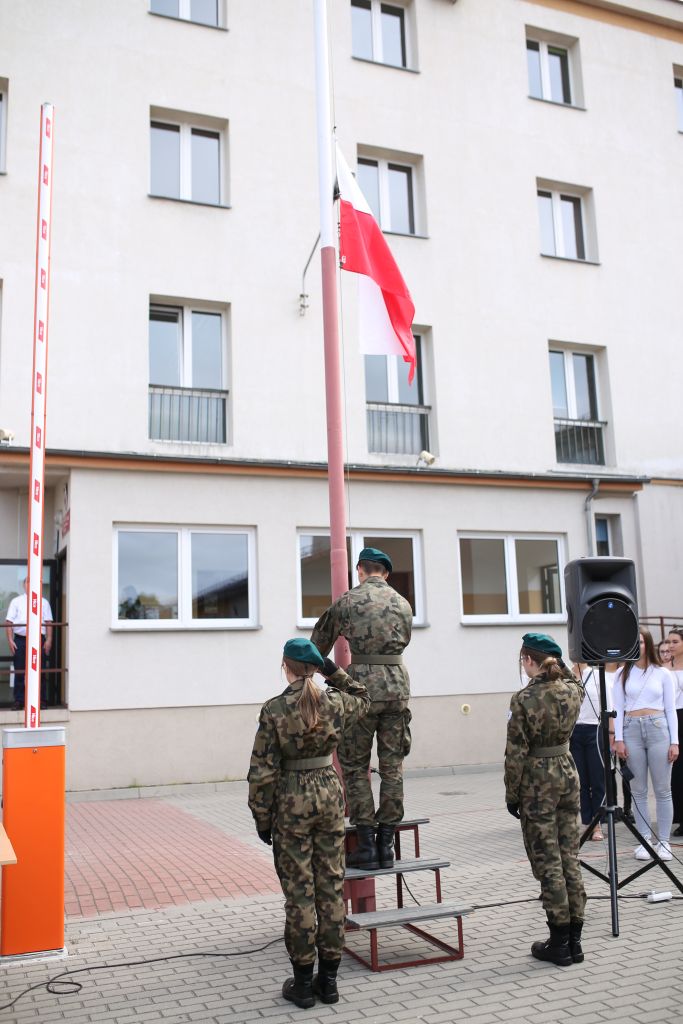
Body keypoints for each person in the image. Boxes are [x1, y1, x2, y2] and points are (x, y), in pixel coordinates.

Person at [248, 638, 370, 1009]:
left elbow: (262, 770)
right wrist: (333, 671)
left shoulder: (274, 709)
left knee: (299, 893)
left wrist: (262, 817)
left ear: (285, 666)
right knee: (331, 887)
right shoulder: (335, 702)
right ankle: (328, 982)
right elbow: (364, 698)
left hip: (291, 799)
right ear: (315, 668)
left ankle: (303, 985)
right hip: (329, 795)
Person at [310, 547, 412, 871]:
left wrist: (328, 673)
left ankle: (367, 845)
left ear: (360, 570)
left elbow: (316, 646)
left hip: (360, 690)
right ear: (386, 572)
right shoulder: (403, 603)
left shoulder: (348, 601)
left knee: (355, 767)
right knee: (393, 767)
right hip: (397, 687)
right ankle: (387, 845)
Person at [505, 633, 586, 967]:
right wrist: (559, 664)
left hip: (538, 780)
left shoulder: (524, 699)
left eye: (523, 660)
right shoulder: (573, 690)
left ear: (528, 660)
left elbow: (515, 753)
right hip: (567, 772)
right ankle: (575, 941)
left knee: (547, 860)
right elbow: (573, 679)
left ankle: (559, 941)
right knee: (570, 856)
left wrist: (512, 794)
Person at [613, 629, 679, 861]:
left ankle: (664, 841)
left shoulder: (662, 673)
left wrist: (675, 741)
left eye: (640, 642)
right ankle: (644, 840)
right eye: (633, 642)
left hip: (658, 728)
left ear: (648, 644)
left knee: (663, 789)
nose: (637, 646)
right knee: (638, 790)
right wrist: (618, 739)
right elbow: (618, 709)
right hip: (630, 730)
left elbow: (670, 709)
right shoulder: (621, 673)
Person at [570, 663, 615, 842]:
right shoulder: (565, 676)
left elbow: (609, 707)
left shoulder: (597, 675)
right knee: (580, 781)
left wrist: (611, 734)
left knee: (597, 779)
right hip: (573, 731)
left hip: (594, 730)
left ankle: (598, 824)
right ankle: (586, 822)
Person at [4, 575, 53, 710]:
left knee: (40, 670)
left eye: (33, 582)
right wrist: (10, 640)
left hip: (39, 640)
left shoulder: (43, 602)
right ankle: (19, 700)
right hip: (21, 640)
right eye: (28, 582)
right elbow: (9, 622)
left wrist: (49, 639)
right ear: (24, 585)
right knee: (20, 671)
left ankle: (41, 700)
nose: (30, 585)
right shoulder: (16, 601)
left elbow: (48, 622)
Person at [666, 626, 683, 836]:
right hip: (672, 718)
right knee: (676, 770)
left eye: (675, 642)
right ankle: (680, 817)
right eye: (668, 642)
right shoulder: (664, 668)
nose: (670, 645)